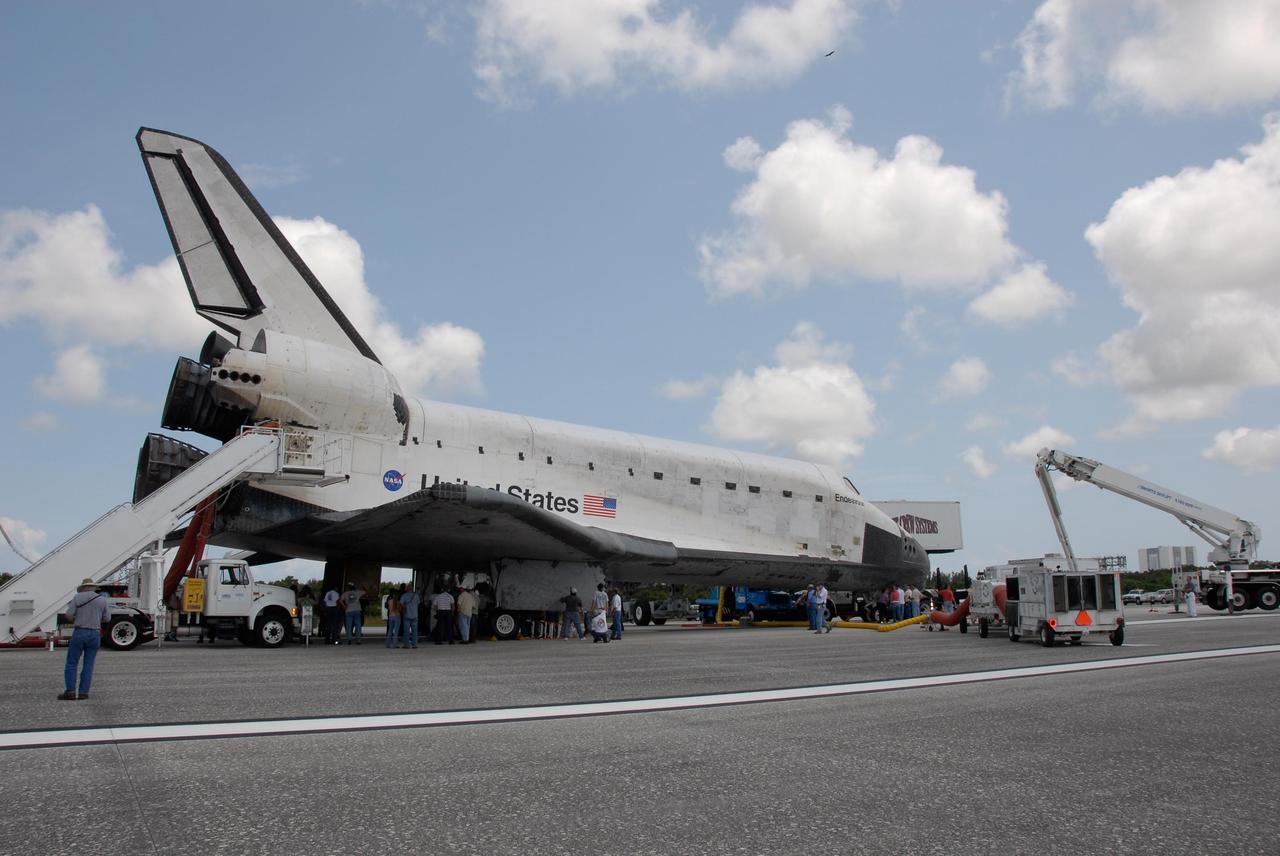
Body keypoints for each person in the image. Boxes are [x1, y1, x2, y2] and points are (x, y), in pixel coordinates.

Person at [60, 578, 113, 700]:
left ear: (83, 587)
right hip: (94, 633)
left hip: (80, 632)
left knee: (72, 663)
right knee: (88, 664)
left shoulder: (78, 598)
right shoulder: (102, 600)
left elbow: (68, 614)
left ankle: (70, 691)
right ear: (94, 587)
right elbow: (107, 618)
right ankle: (84, 692)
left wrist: (76, 619)